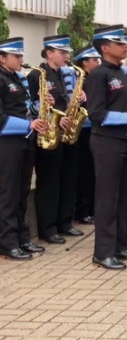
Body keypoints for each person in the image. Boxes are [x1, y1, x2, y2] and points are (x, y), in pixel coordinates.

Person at [85, 25, 127, 269]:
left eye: (126, 42)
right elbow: (97, 114)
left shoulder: (123, 72)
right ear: (105, 48)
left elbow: (125, 102)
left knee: (123, 197)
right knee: (107, 198)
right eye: (120, 43)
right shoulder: (98, 75)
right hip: (106, 141)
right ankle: (102, 253)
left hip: (125, 139)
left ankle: (120, 246)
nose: (126, 46)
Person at [27, 35, 82, 246]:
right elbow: (30, 106)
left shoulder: (63, 74)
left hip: (65, 132)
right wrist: (43, 104)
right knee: (49, 182)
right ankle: (47, 228)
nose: (66, 56)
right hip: (48, 134)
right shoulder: (36, 75)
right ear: (49, 52)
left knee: (67, 179)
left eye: (67, 52)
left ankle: (65, 222)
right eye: (62, 52)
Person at [0, 37, 48, 260]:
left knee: (21, 192)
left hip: (25, 141)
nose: (21, 59)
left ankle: (22, 237)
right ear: (2, 58)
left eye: (21, 55)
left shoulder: (18, 78)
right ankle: (8, 243)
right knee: (8, 194)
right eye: (16, 56)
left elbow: (26, 108)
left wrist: (42, 105)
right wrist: (28, 124)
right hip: (8, 143)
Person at [72, 46, 102, 226]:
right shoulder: (78, 80)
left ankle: (91, 208)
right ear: (85, 63)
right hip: (82, 129)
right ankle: (82, 210)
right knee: (84, 172)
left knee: (93, 172)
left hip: (94, 128)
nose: (98, 63)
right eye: (94, 60)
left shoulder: (95, 79)